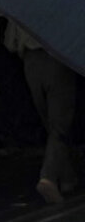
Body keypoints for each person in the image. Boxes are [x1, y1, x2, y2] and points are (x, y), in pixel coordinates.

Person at [5, 21, 78, 204]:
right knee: (60, 123)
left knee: (48, 120)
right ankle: (49, 177)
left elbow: (9, 42)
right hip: (55, 58)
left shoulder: (18, 4)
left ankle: (67, 177)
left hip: (30, 62)